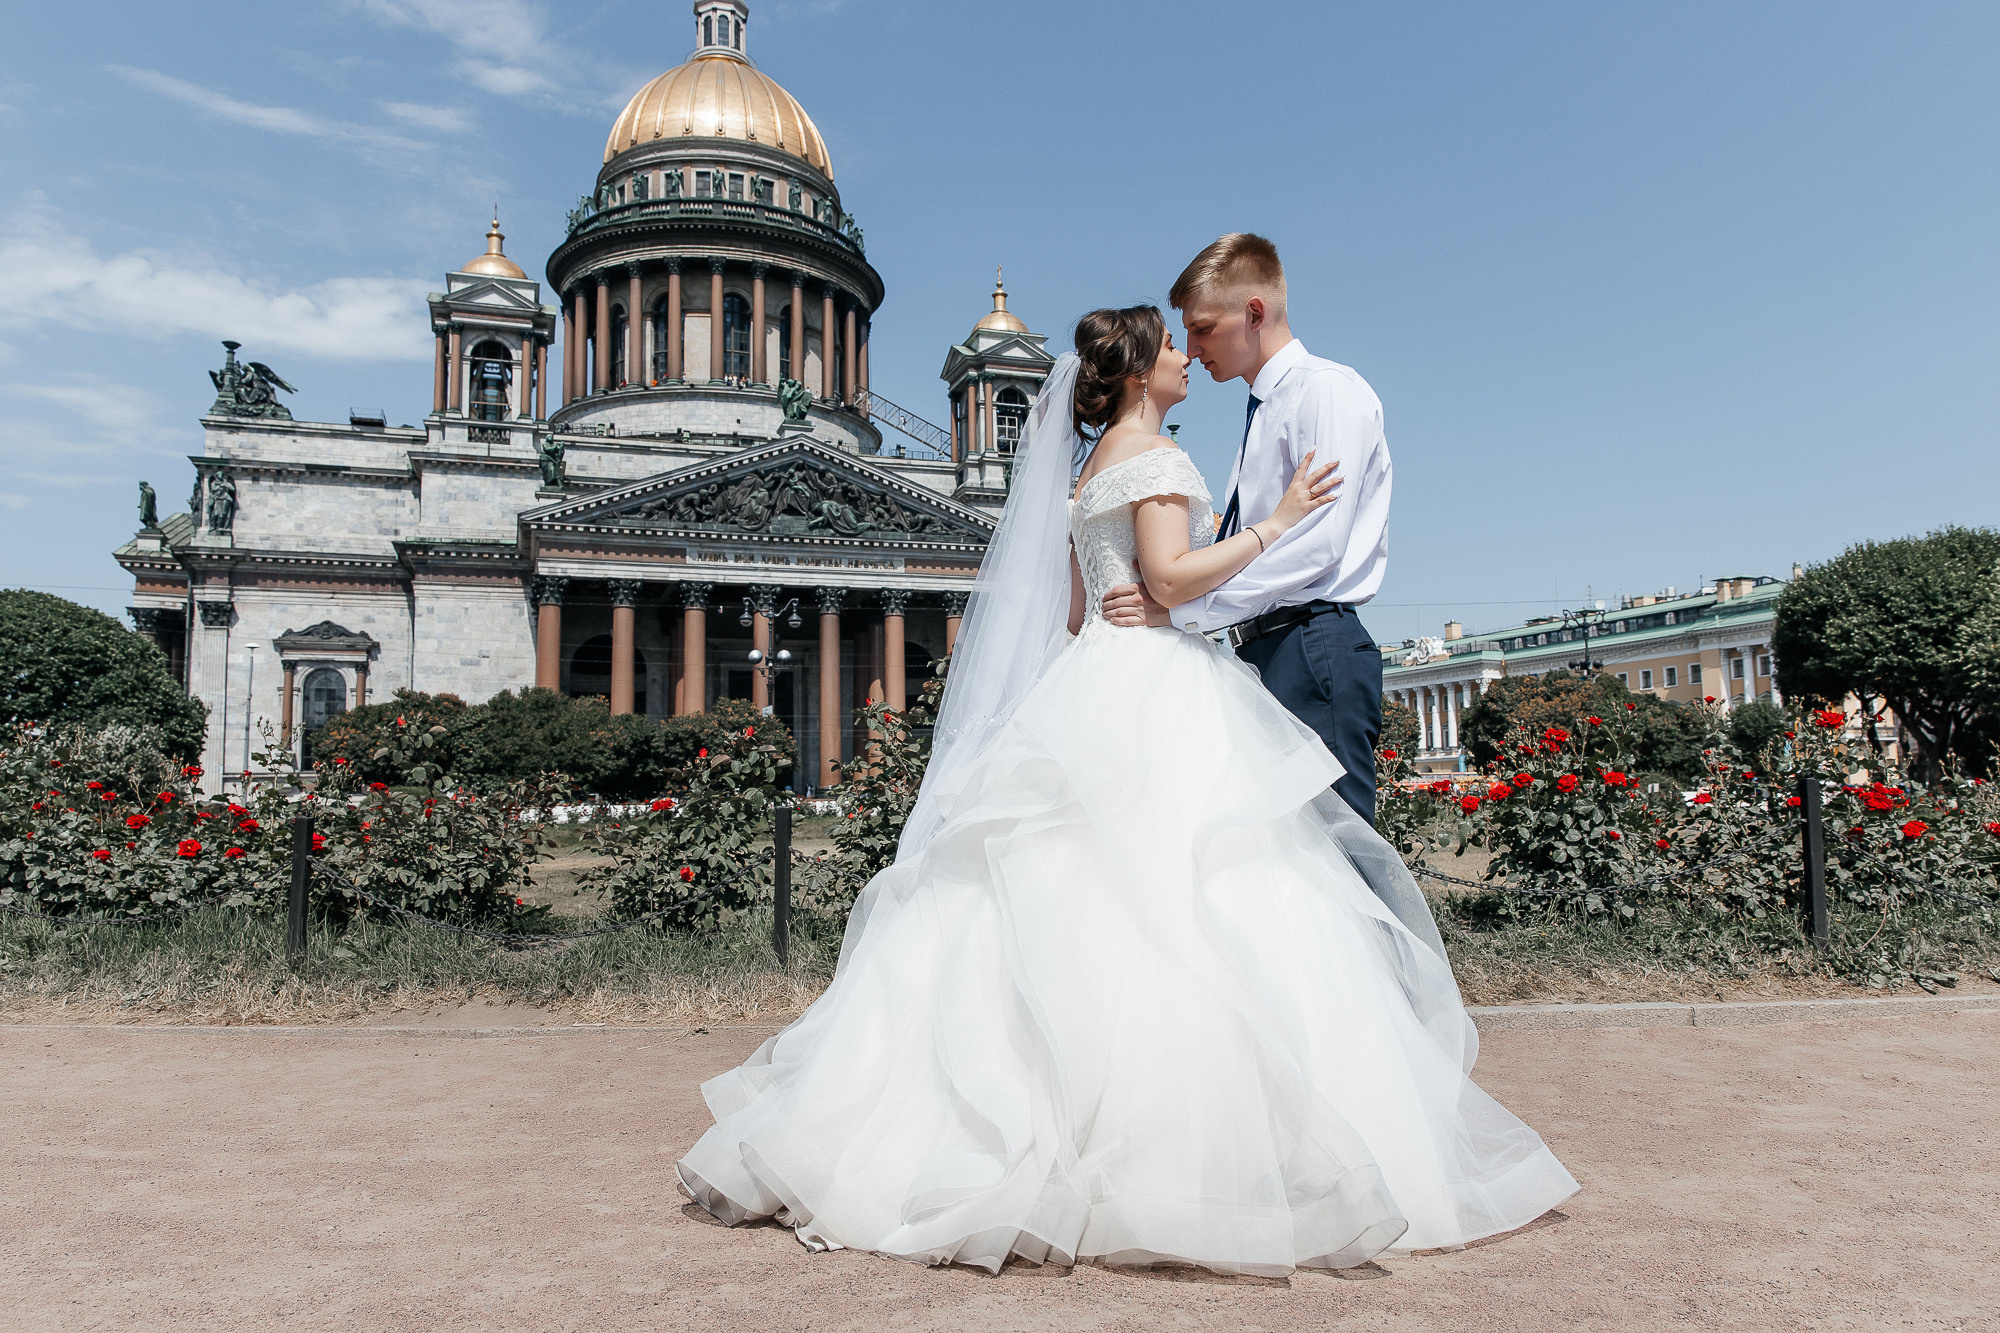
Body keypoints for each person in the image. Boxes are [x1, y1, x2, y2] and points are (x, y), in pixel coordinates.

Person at [674, 305, 1577, 1278]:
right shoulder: (1159, 460)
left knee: (1056, 902)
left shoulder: (1085, 471)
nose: (1191, 360)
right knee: (1199, 898)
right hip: (1153, 684)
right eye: (1173, 349)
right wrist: (1273, 525)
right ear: (1142, 372)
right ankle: (1187, 1165)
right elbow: (1171, 578)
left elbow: (1074, 609)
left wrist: (1147, 597)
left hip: (1090, 682)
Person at [1102, 234, 1389, 824]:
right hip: (1257, 647)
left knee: (1341, 860)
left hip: (1311, 643)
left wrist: (1182, 611)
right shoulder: (1262, 409)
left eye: (1203, 328)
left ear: (1253, 312)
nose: (1191, 348)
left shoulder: (1325, 391)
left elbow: (1317, 545)